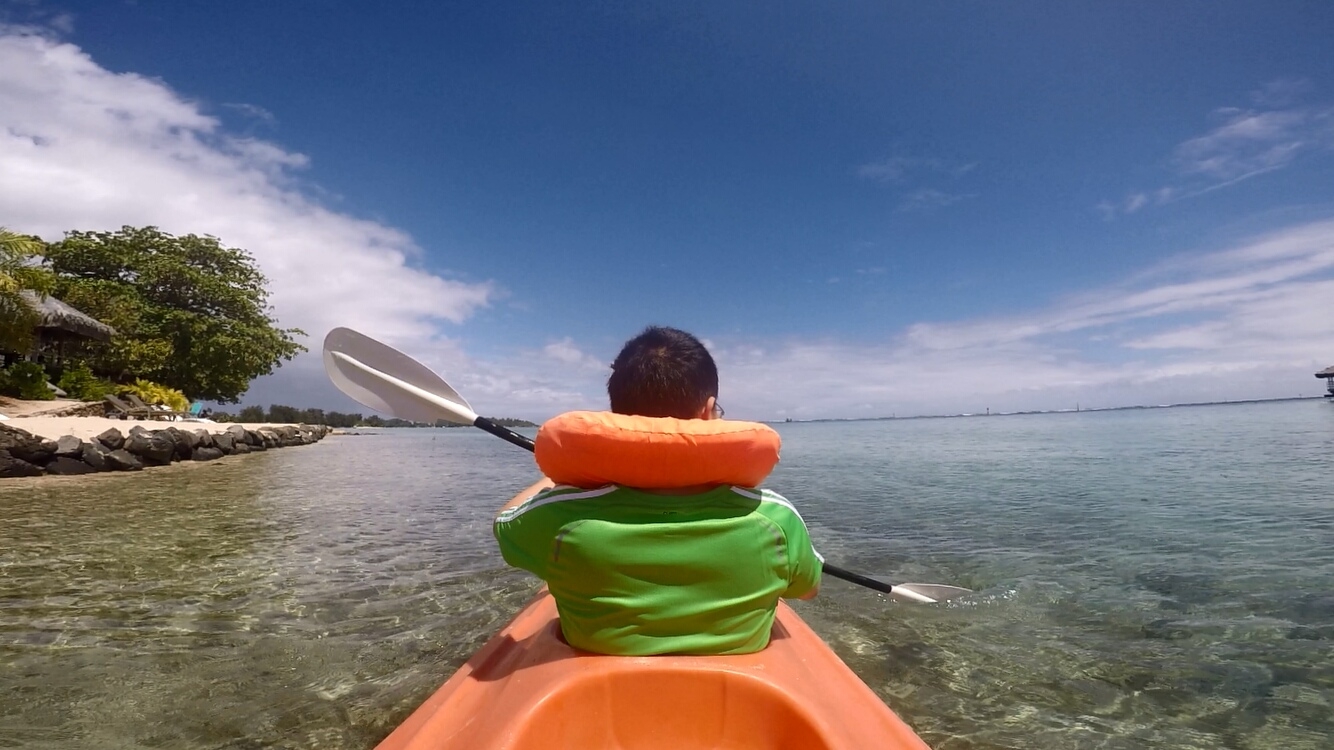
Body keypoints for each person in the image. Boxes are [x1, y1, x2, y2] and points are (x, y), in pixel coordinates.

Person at [493, 325, 822, 656]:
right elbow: (808, 590)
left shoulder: (557, 519)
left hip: (600, 694)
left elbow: (504, 523)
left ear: (618, 419)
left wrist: (564, 475)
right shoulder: (777, 519)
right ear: (709, 411)